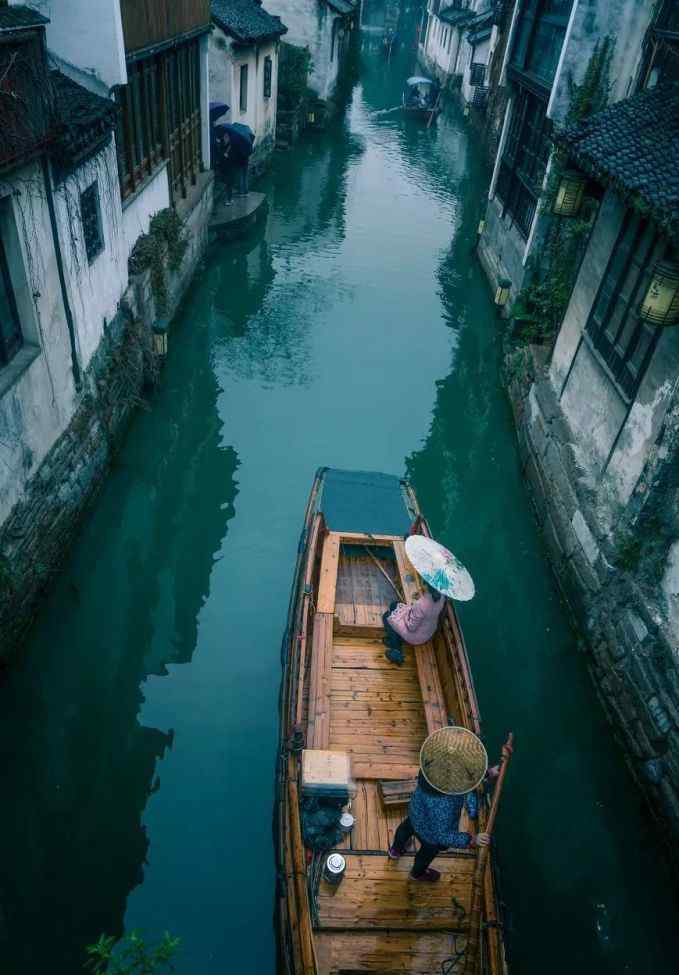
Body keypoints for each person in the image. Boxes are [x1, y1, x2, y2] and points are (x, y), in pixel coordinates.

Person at [389, 727, 503, 882]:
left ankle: (395, 850)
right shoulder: (446, 803)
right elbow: (443, 836)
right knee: (425, 855)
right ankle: (417, 874)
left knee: (405, 829)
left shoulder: (430, 770)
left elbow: (462, 777)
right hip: (431, 836)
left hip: (416, 813)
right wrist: (471, 840)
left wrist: (488, 774)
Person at [383, 580, 445, 652]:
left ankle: (395, 645)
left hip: (417, 636)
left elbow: (411, 627)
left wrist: (408, 612)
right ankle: (398, 636)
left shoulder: (421, 605)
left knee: (386, 616)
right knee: (394, 605)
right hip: (428, 631)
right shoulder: (441, 597)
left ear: (426, 586)